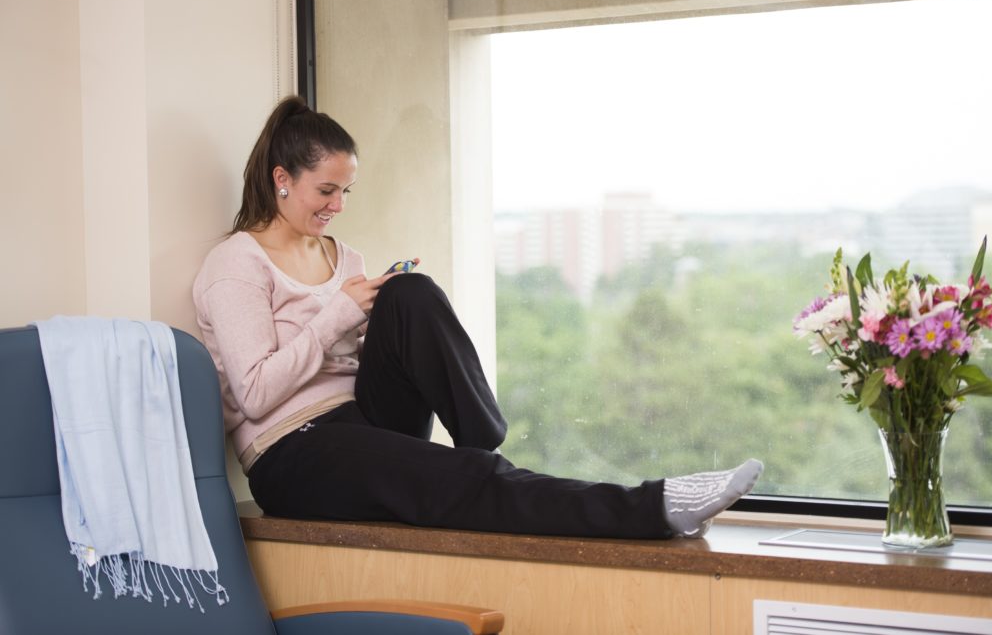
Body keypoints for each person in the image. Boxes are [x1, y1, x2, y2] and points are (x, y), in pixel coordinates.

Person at [192, 96, 762, 540]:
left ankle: (480, 442)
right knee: (468, 481)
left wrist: (367, 321)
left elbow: (357, 360)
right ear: (281, 178)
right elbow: (256, 392)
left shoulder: (344, 257)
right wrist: (337, 315)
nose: (338, 205)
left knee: (407, 292)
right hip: (295, 451)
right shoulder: (236, 262)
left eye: (346, 191)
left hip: (363, 422)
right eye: (326, 189)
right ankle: (657, 506)